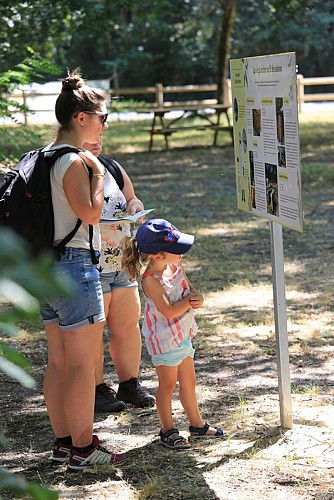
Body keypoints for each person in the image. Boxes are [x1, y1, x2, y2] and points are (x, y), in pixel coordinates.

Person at [40, 68, 126, 471]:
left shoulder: (41, 157)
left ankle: (63, 444)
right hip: (75, 267)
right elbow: (91, 213)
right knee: (81, 365)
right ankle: (84, 448)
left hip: (44, 269)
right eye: (102, 117)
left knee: (57, 362)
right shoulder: (75, 162)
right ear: (81, 119)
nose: (104, 124)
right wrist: (96, 173)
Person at [121, 218, 224, 449]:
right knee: (167, 385)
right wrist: (188, 302)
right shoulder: (151, 281)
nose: (182, 254)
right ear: (158, 256)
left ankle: (197, 425)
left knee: (189, 382)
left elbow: (191, 290)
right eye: (177, 250)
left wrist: (197, 298)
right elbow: (167, 311)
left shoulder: (175, 266)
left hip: (182, 334)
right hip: (165, 340)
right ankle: (167, 430)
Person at [82, 140, 155, 412]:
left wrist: (135, 206)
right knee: (93, 331)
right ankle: (97, 389)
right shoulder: (71, 168)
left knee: (127, 325)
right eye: (92, 132)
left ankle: (130, 384)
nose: (97, 140)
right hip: (90, 264)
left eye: (100, 133)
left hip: (122, 261)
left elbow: (131, 197)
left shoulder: (112, 166)